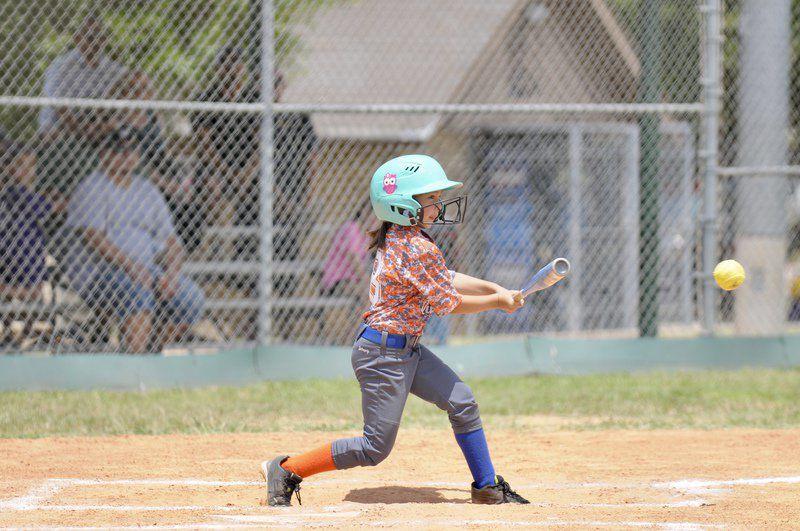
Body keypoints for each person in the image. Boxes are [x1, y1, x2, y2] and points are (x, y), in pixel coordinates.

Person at [260, 155, 530, 505]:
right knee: (374, 448)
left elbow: (443, 278)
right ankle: (287, 468)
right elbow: (447, 303)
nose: (438, 205)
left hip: (405, 350)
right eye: (430, 198)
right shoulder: (415, 245)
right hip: (383, 356)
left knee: (462, 402)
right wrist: (499, 303)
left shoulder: (405, 236)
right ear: (402, 204)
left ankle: (487, 486)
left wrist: (494, 287)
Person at [64, 127, 205, 353]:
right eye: (118, 150)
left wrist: (172, 274)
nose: (127, 155)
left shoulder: (147, 190)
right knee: (139, 292)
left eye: (132, 150)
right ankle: (134, 366)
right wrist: (133, 268)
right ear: (103, 154)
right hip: (97, 273)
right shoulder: (92, 186)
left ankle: (151, 356)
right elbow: (94, 238)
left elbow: (172, 242)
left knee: (191, 299)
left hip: (147, 271)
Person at [37, 14, 127, 211]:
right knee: (56, 138)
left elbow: (121, 105)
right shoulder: (61, 66)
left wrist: (102, 127)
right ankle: (72, 202)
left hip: (100, 127)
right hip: (62, 127)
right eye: (87, 35)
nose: (93, 41)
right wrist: (86, 131)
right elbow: (61, 110)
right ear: (77, 38)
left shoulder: (115, 71)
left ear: (104, 40)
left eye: (98, 35)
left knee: (126, 139)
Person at [0, 144, 52, 302]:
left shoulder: (29, 194)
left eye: (31, 165)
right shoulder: (12, 192)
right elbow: (46, 207)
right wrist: (53, 199)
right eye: (20, 165)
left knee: (35, 243)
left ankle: (11, 292)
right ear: (8, 168)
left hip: (24, 252)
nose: (27, 170)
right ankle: (15, 292)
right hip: (12, 250)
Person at [320, 201, 371, 298]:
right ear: (365, 213)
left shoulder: (366, 234)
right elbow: (353, 258)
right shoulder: (351, 227)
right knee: (367, 292)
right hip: (337, 279)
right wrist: (367, 281)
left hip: (354, 280)